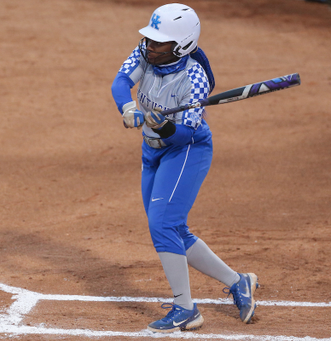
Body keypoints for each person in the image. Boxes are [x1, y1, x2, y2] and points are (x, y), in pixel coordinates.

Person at [111, 3, 259, 333]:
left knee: (163, 223)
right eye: (149, 39)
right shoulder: (145, 53)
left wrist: (162, 126)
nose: (150, 45)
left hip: (187, 151)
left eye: (159, 42)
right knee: (169, 227)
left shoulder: (195, 78)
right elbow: (121, 82)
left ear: (182, 45)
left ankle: (185, 309)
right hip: (152, 153)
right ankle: (239, 282)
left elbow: (185, 135)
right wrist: (129, 106)